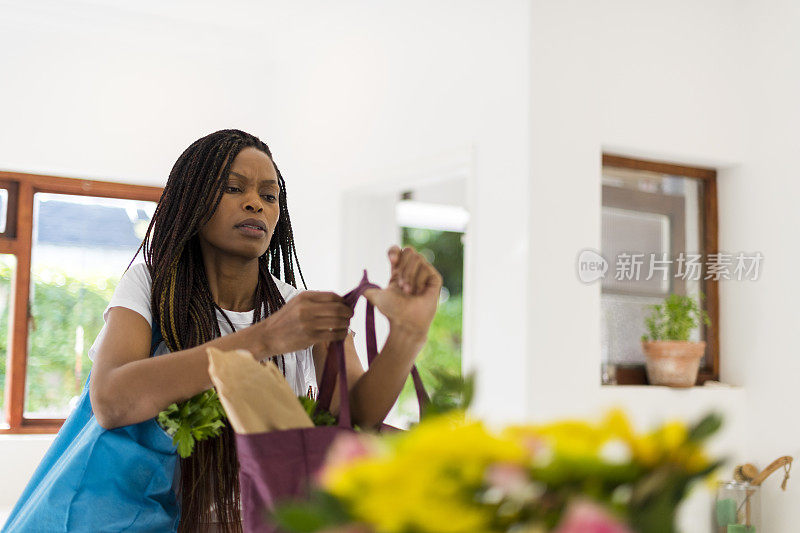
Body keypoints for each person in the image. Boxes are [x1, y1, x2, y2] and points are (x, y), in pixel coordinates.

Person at [2, 129, 442, 532]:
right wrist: (263, 339)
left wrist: (407, 335)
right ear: (192, 200)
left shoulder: (297, 308)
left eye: (270, 196)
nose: (256, 204)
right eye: (234, 189)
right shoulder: (152, 286)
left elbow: (356, 421)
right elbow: (113, 401)